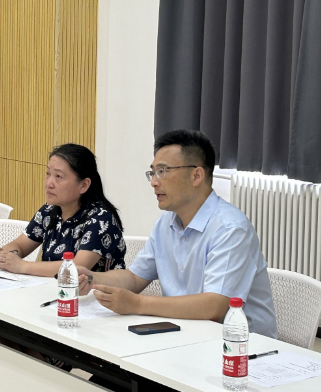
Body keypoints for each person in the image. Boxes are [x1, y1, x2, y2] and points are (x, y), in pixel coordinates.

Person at [78, 130, 277, 341]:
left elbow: (214, 306)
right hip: (186, 335)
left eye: (163, 171)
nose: (154, 182)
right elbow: (135, 278)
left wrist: (137, 304)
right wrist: (90, 278)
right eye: (153, 173)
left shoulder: (230, 229)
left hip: (242, 347)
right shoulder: (166, 223)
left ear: (196, 175)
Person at [0, 143, 126, 369]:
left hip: (89, 312)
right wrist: (4, 254)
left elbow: (76, 267)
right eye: (48, 173)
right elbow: (21, 244)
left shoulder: (100, 218)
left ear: (84, 185)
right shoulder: (49, 212)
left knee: (22, 344)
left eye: (59, 176)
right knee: (1, 329)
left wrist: (22, 266)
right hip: (49, 301)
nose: (49, 182)